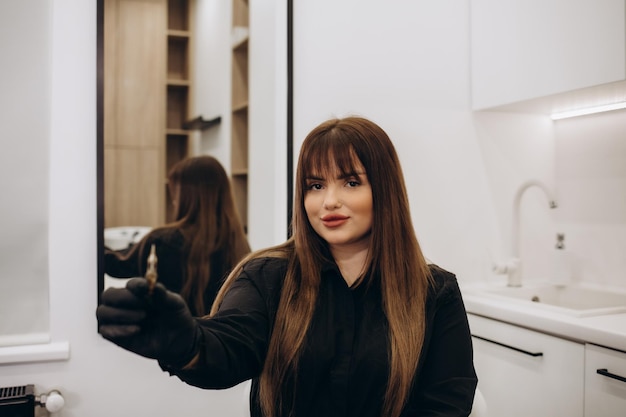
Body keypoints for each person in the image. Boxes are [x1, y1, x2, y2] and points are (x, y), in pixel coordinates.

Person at [97, 117, 478, 417]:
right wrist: (187, 345)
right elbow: (230, 347)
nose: (329, 201)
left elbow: (446, 403)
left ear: (385, 190)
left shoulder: (435, 293)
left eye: (350, 182)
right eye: (315, 185)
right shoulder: (267, 276)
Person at [103, 155, 250, 316]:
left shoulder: (162, 241)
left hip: (173, 339)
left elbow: (117, 266)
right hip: (219, 339)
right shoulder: (239, 246)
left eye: (176, 194)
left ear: (188, 196)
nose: (174, 201)